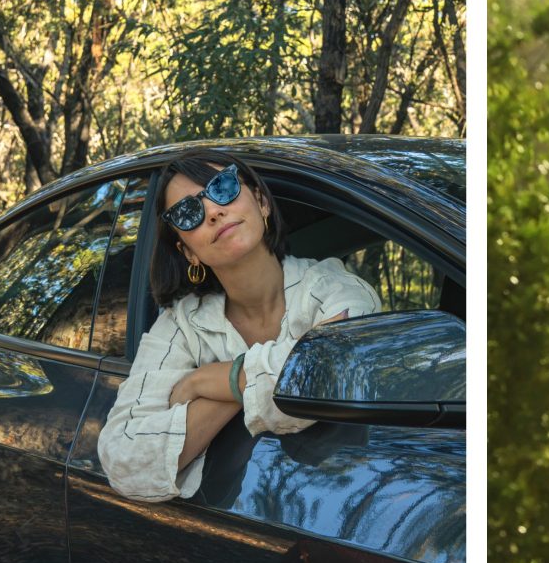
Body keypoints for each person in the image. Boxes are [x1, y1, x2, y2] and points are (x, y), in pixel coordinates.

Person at [98, 150, 381, 502]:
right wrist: (252, 384)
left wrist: (209, 381)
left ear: (261, 202)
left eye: (224, 187)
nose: (214, 211)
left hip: (350, 497)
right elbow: (124, 461)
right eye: (189, 213)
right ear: (188, 252)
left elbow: (326, 376)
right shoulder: (182, 324)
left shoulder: (335, 289)